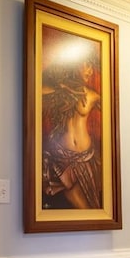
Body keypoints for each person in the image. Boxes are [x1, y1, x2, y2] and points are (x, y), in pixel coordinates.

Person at [42, 58, 102, 209]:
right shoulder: (58, 92)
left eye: (92, 67)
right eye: (86, 65)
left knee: (90, 207)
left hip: (85, 157)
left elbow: (114, 116)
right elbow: (38, 89)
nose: (90, 71)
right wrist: (65, 88)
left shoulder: (93, 96)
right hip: (61, 157)